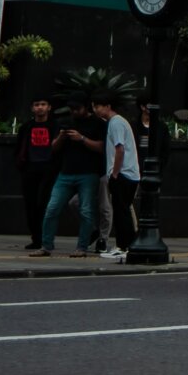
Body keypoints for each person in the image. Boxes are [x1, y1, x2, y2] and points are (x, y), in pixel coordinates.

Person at [34, 96, 106, 257]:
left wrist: (81, 139)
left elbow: (102, 147)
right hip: (65, 172)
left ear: (86, 108)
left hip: (88, 173)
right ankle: (46, 245)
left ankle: (82, 247)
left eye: (77, 109)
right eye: (72, 109)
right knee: (52, 208)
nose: (74, 112)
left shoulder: (98, 123)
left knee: (86, 210)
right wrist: (62, 136)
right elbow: (52, 148)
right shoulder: (65, 122)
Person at [96, 90, 140, 261]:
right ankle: (127, 245)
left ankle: (123, 246)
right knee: (124, 211)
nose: (96, 110)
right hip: (128, 174)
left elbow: (119, 149)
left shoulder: (115, 123)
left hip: (123, 174)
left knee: (121, 212)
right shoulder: (118, 122)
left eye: (98, 106)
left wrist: (114, 173)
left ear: (108, 106)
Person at [13, 96, 60, 252]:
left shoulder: (55, 126)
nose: (40, 107)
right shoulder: (27, 127)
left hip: (48, 169)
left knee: (44, 204)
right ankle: (36, 238)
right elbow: (19, 148)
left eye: (43, 104)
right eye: (37, 105)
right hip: (30, 168)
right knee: (31, 204)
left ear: (49, 107)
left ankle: (45, 238)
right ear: (32, 108)